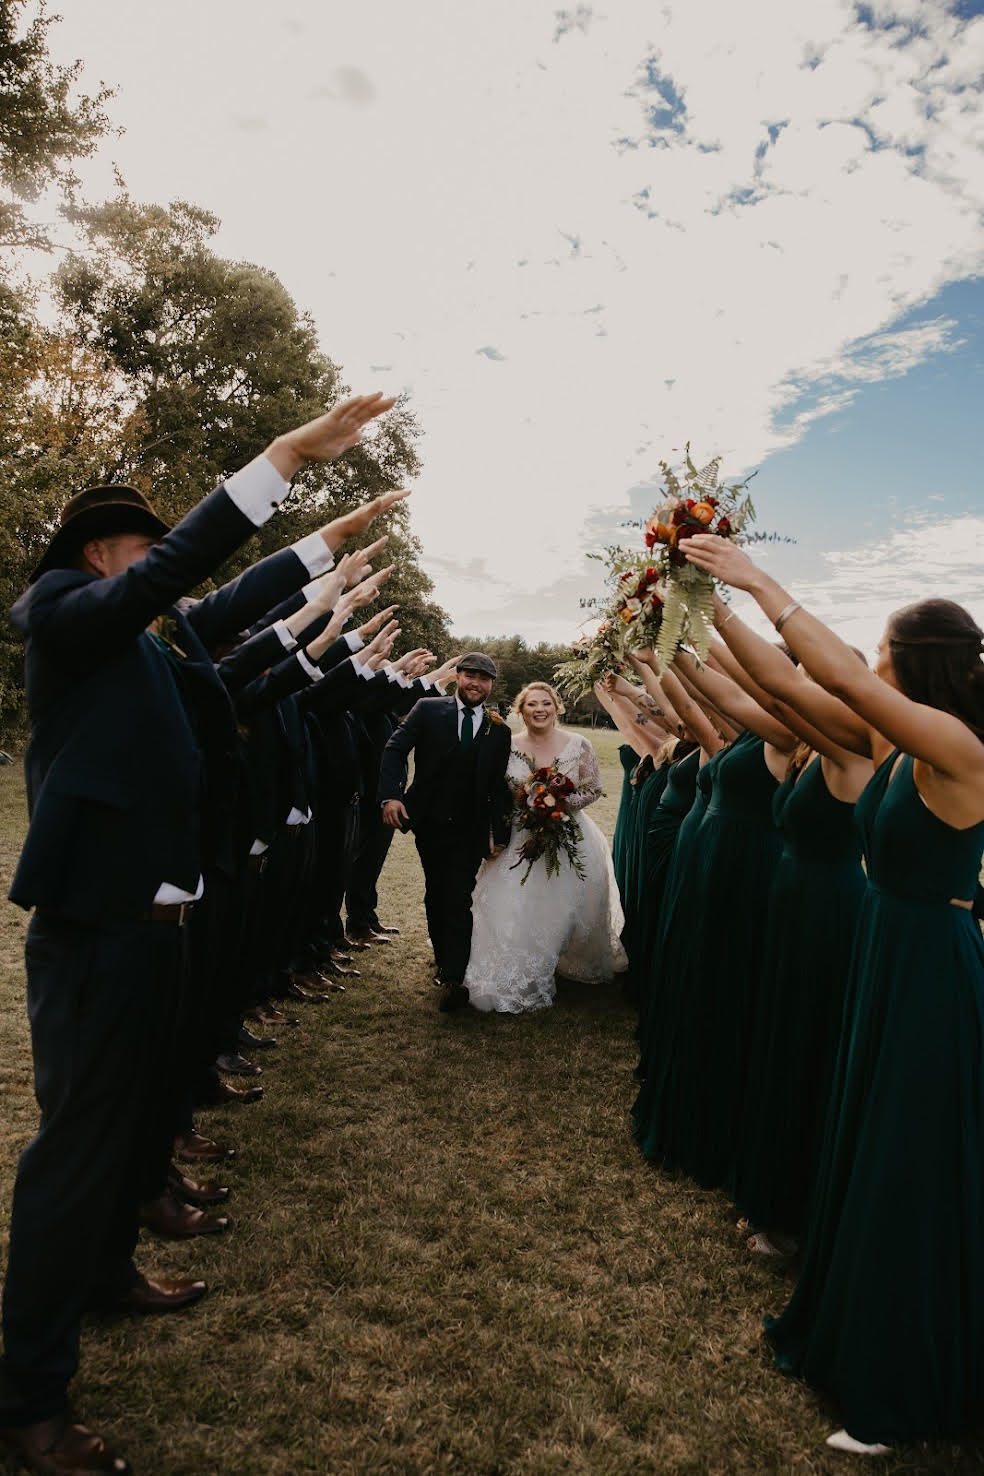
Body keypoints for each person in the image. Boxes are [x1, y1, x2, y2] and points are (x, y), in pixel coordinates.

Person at [0, 392, 395, 1476]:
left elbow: (223, 614)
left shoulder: (147, 649)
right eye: (147, 544)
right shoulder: (64, 615)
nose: (165, 567)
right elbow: (182, 579)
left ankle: (110, 1269)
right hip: (96, 929)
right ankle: (28, 1398)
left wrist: (324, 548)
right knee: (77, 1153)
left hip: (157, 922)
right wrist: (281, 459)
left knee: (127, 1131)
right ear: (100, 552)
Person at [685, 532, 984, 1456]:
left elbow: (843, 682)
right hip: (889, 956)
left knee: (908, 1169)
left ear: (909, 661)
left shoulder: (958, 748)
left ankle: (901, 1389)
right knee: (868, 1149)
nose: (870, 656)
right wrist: (699, 606)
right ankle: (852, 1330)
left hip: (932, 971)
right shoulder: (896, 740)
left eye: (883, 646)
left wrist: (762, 579)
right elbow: (786, 683)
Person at [463, 682, 627, 1014]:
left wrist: (560, 804)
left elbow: (594, 788)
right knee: (510, 902)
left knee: (561, 906)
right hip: (518, 835)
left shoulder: (579, 743)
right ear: (521, 710)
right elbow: (495, 790)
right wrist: (524, 805)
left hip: (566, 833)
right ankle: (514, 968)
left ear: (557, 707)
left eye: (546, 703)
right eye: (532, 705)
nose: (540, 710)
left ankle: (556, 957)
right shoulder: (508, 744)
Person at [378, 653, 513, 1011]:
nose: (475, 683)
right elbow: (395, 749)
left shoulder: (499, 729)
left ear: (491, 685)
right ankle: (444, 962)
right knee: (437, 893)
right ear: (457, 677)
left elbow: (497, 787)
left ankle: (455, 977)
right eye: (470, 675)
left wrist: (498, 832)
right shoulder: (427, 709)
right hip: (431, 822)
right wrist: (391, 795)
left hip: (471, 828)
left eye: (484, 679)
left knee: (457, 896)